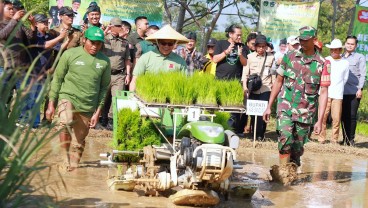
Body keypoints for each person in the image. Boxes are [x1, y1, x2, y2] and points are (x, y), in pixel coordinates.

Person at [263, 26, 330, 174]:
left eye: (306, 40)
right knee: (285, 138)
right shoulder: (290, 56)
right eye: (301, 40)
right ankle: (282, 175)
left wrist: (320, 121)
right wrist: (269, 106)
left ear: (314, 40)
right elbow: (279, 81)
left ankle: (292, 170)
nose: (303, 43)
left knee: (297, 148)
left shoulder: (323, 63)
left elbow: (324, 92)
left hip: (306, 111)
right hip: (285, 105)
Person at [46, 26, 111, 172]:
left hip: (88, 104)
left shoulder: (105, 61)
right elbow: (57, 79)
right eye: (92, 42)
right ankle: (64, 157)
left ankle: (75, 164)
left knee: (79, 141)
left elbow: (104, 88)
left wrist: (98, 111)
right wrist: (51, 104)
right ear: (84, 40)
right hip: (68, 96)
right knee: (65, 122)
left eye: (98, 43)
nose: (95, 46)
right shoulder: (70, 54)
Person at [27, 14, 67, 128]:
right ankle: (26, 122)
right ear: (37, 24)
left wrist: (67, 37)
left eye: (47, 22)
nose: (46, 25)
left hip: (45, 72)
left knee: (38, 99)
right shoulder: (35, 36)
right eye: (43, 23)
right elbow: (45, 46)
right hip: (34, 71)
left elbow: (60, 47)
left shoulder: (48, 36)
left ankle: (34, 123)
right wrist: (59, 37)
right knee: (31, 98)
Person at [129, 25, 188, 91]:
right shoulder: (146, 57)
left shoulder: (180, 61)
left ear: (174, 44)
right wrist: (131, 97)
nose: (166, 46)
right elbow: (135, 80)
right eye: (163, 43)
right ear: (158, 42)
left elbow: (184, 83)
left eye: (170, 44)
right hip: (147, 96)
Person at [213, 24, 247, 135]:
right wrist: (226, 52)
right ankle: (217, 131)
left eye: (240, 35)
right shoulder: (221, 43)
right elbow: (215, 59)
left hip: (235, 83)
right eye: (237, 35)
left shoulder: (242, 46)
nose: (239, 37)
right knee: (218, 108)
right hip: (220, 81)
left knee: (233, 111)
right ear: (230, 34)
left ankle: (229, 133)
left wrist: (241, 55)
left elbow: (245, 63)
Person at [101, 17, 132, 129]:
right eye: (116, 26)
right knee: (103, 98)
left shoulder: (124, 42)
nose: (119, 28)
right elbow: (97, 41)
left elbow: (127, 59)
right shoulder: (104, 39)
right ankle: (102, 118)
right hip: (105, 74)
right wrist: (105, 31)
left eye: (120, 26)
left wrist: (128, 74)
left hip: (119, 74)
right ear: (111, 26)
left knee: (116, 98)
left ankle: (111, 120)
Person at [242, 35, 275, 140]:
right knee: (253, 113)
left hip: (266, 89)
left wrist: (274, 87)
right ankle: (254, 134)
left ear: (266, 46)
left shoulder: (271, 57)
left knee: (263, 113)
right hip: (253, 89)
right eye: (259, 46)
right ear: (255, 47)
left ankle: (261, 135)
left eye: (263, 46)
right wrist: (245, 87)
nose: (261, 49)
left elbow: (273, 74)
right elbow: (245, 73)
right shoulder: (250, 57)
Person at [318, 39, 349, 144]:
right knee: (322, 116)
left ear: (340, 50)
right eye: (332, 50)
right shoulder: (326, 60)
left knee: (336, 118)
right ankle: (321, 137)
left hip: (338, 94)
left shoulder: (345, 63)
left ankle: (334, 139)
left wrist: (338, 87)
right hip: (325, 92)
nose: (333, 52)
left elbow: (345, 79)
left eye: (336, 50)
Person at [341, 35, 367, 146]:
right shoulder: (340, 57)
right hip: (341, 91)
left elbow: (363, 75)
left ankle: (350, 140)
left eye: (352, 44)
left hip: (354, 91)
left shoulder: (359, 57)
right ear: (345, 44)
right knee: (342, 115)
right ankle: (344, 139)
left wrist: (360, 89)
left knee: (351, 116)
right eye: (348, 43)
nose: (350, 45)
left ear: (355, 46)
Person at [0, 0, 36, 73]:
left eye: (12, 9)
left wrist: (32, 24)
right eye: (9, 9)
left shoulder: (18, 23)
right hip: (5, 67)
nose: (12, 11)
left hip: (19, 66)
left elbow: (30, 37)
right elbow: (1, 35)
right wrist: (14, 20)